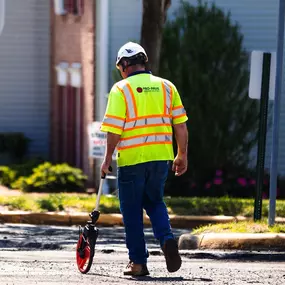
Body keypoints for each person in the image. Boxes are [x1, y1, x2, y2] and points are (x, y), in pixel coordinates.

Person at [100, 42, 188, 276]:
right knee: (155, 201)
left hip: (132, 159)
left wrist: (107, 157)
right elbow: (180, 124)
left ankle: (138, 263)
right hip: (161, 158)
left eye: (120, 66)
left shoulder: (121, 89)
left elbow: (115, 130)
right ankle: (167, 239)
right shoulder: (167, 87)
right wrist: (182, 154)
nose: (121, 70)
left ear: (126, 64)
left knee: (131, 211)